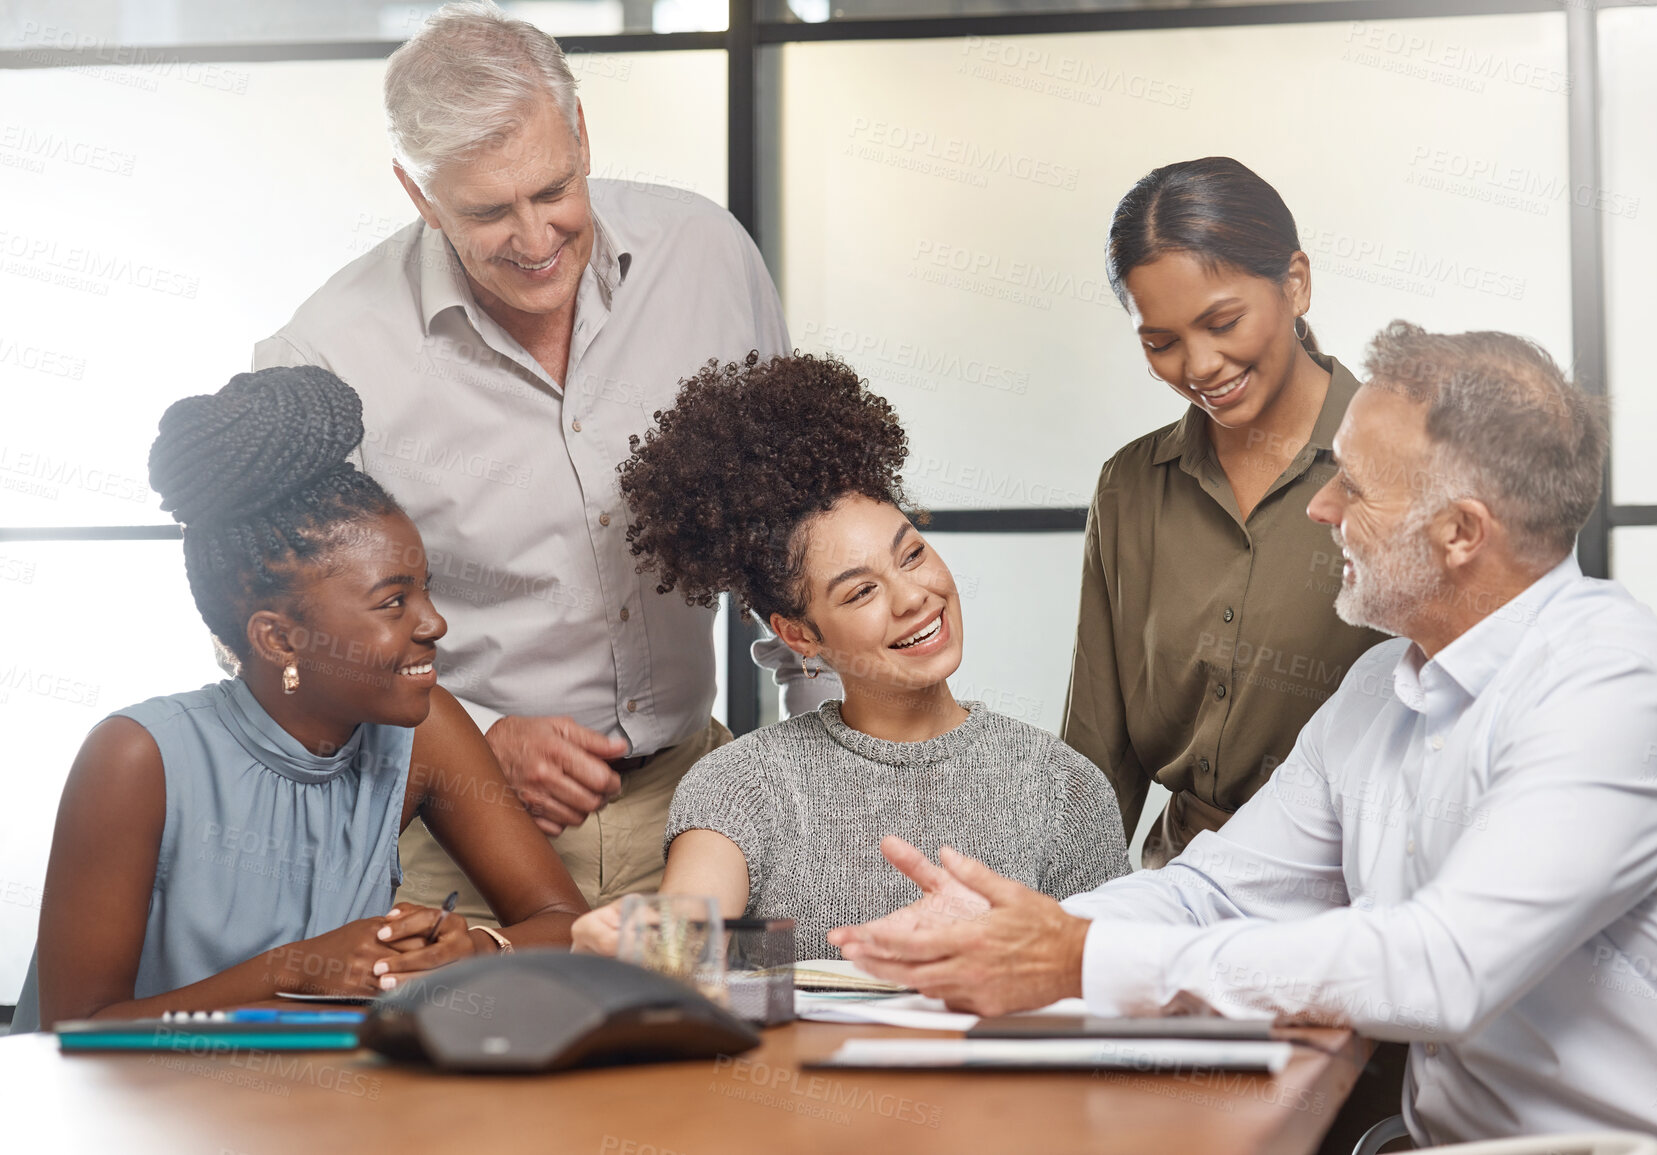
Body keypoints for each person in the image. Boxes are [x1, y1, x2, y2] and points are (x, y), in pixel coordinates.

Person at [832, 322, 1657, 1155]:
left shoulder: (1611, 687)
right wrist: (1026, 929)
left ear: (1461, 533)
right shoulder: (1380, 684)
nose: (1320, 507)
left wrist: (1076, 955)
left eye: (1355, 485)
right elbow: (1213, 890)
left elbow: (1442, 965)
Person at [252, 1, 836, 920]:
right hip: (452, 829)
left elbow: (799, 526)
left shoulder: (706, 256)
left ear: (582, 134)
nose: (534, 241)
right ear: (418, 195)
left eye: (553, 190)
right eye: (487, 211)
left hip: (702, 804)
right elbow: (270, 629)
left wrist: (828, 753)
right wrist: (472, 743)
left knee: (718, 1061)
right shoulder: (328, 356)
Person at [10, 367, 587, 1034]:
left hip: (310, 1115)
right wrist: (293, 970)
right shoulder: (138, 757)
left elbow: (566, 922)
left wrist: (482, 949)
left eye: (425, 589)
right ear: (280, 638)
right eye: (394, 601)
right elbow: (76, 1030)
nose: (434, 624)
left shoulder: (422, 731)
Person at [568, 353, 1129, 961]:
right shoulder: (742, 786)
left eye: (911, 554)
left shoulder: (1063, 787)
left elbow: (1102, 987)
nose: (914, 596)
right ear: (800, 636)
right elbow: (685, 940)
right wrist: (631, 947)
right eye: (861, 590)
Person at [1065, 157, 1384, 869]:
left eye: (1222, 322)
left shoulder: (1406, 465)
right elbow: (1097, 747)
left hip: (1359, 893)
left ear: (1294, 284)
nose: (1199, 365)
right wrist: (1060, 930)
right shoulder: (1130, 485)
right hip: (1179, 888)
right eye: (1160, 342)